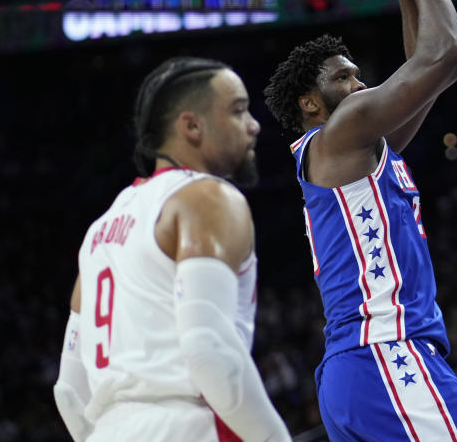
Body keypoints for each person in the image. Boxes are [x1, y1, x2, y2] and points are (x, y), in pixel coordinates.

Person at [264, 0, 457, 441]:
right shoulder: (340, 131)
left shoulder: (357, 149)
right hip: (385, 354)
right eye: (343, 77)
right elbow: (448, 54)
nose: (359, 84)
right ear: (309, 101)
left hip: (356, 370)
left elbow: (423, 68)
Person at [53, 57, 291, 442]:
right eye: (238, 110)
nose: (254, 124)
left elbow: (69, 392)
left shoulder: (98, 232)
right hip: (184, 427)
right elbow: (208, 348)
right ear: (192, 125)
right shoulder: (206, 197)